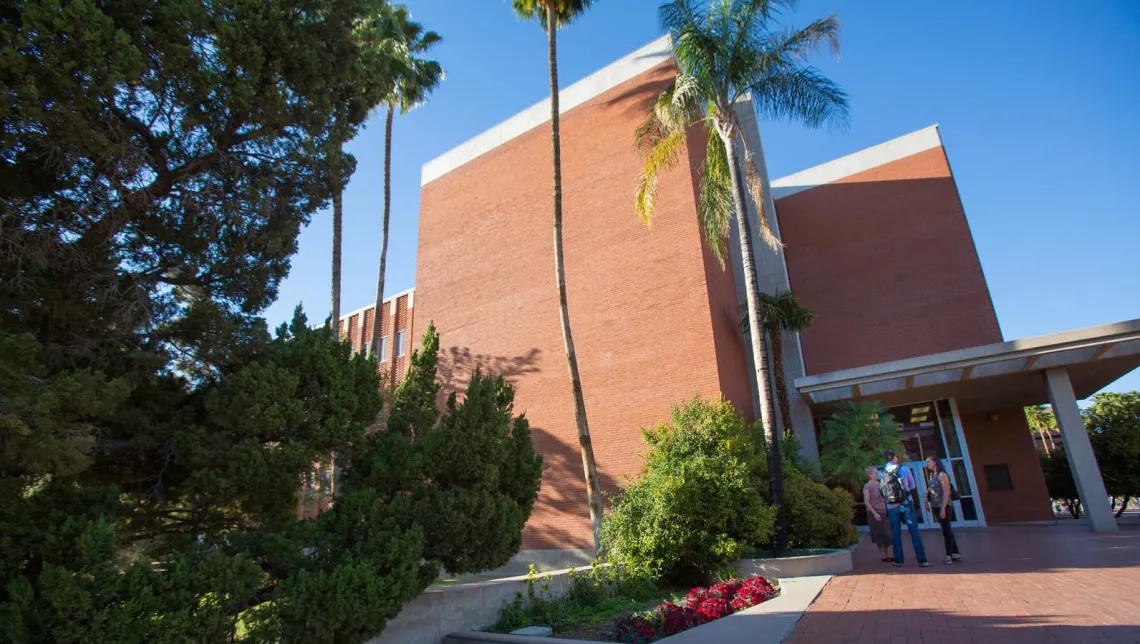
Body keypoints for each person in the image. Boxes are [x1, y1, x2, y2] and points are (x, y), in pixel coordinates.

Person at [881, 449, 931, 568]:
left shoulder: (882, 472)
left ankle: (899, 561)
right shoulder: (904, 469)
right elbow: (912, 486)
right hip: (906, 504)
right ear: (895, 457)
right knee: (914, 533)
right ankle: (922, 560)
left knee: (896, 534)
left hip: (891, 506)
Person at [925, 457, 962, 565]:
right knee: (945, 529)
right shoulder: (932, 475)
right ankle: (956, 553)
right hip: (935, 505)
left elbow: (946, 493)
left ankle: (949, 555)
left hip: (944, 506)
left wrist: (943, 508)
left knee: (946, 530)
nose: (927, 464)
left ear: (935, 463)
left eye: (929, 462)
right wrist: (926, 501)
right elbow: (930, 489)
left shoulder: (942, 475)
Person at [862, 465, 892, 562]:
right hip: (875, 513)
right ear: (870, 475)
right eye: (875, 473)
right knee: (879, 535)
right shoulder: (867, 486)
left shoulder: (881, 483)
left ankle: (888, 554)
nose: (877, 474)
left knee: (887, 533)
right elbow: (867, 502)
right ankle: (883, 555)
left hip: (885, 512)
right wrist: (875, 513)